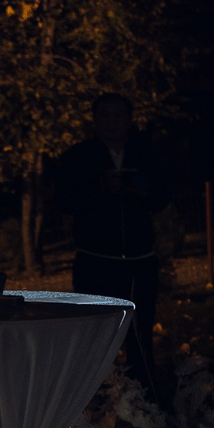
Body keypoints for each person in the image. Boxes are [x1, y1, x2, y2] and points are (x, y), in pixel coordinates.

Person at [59, 93, 170, 391]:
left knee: (140, 335)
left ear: (130, 119)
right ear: (95, 121)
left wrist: (140, 190)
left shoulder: (145, 154)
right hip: (95, 261)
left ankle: (143, 401)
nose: (112, 122)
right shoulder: (79, 157)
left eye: (119, 115)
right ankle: (95, 399)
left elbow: (162, 197)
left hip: (140, 262)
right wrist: (99, 188)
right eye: (105, 115)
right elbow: (64, 201)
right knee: (95, 336)